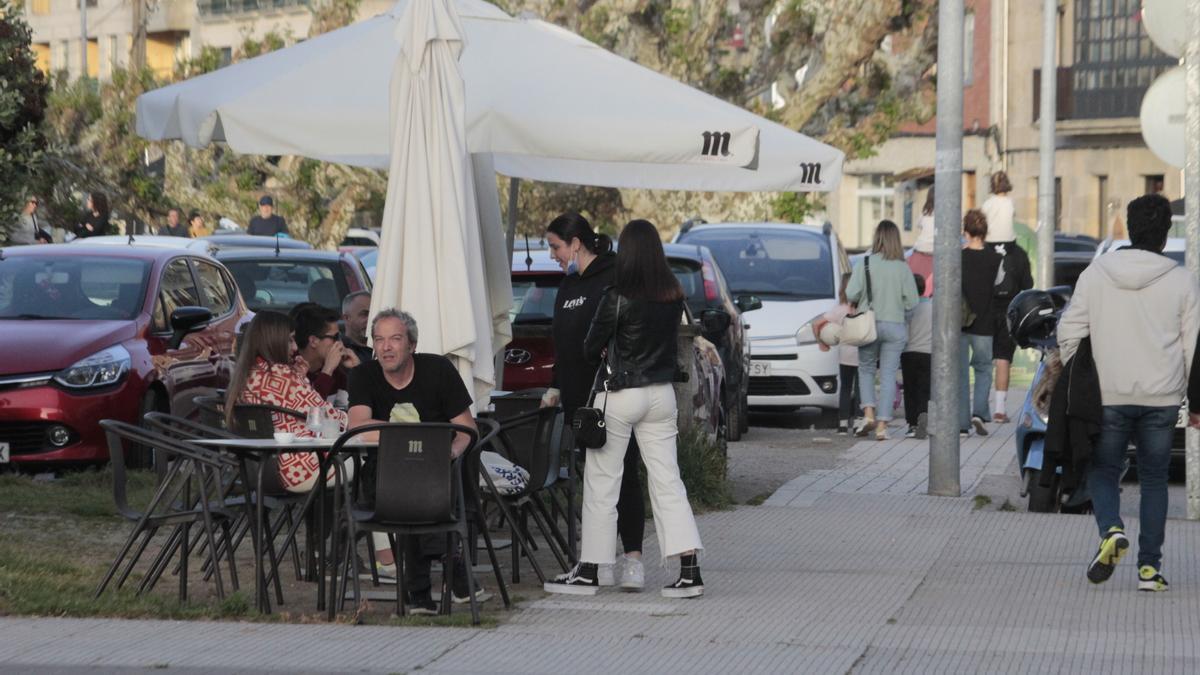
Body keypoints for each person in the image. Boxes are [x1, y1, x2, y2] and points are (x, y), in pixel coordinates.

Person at [545, 219, 704, 599]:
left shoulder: (616, 295)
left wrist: (604, 346)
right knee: (667, 481)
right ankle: (689, 571)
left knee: (602, 481)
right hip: (661, 394)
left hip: (620, 393)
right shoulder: (673, 294)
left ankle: (590, 570)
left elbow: (589, 345)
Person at [1063, 194, 1199, 592]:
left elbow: (1069, 329)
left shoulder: (1097, 272)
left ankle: (1111, 530)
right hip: (1162, 397)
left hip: (1108, 395)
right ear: (1164, 236)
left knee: (1103, 469)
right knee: (1155, 479)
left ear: (1129, 226)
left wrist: (1080, 372)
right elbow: (1194, 345)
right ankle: (1149, 569)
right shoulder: (1182, 280)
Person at [347, 309, 488, 613]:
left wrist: (448, 453)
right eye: (380, 340)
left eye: (395, 339)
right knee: (410, 485)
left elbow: (467, 429)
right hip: (384, 477)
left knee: (424, 483)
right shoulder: (363, 375)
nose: (386, 347)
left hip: (441, 474)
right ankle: (453, 562)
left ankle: (418, 591)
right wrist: (407, 440)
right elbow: (358, 427)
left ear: (411, 344)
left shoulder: (437, 370)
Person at [539, 212, 645, 590]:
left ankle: (632, 559)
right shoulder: (568, 285)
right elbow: (563, 343)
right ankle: (596, 561)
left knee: (624, 475)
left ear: (576, 243)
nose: (552, 255)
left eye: (555, 247)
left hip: (612, 394)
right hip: (578, 401)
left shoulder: (613, 277)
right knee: (594, 482)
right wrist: (554, 385)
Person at [224, 311, 349, 492]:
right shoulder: (280, 375)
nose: (296, 347)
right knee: (369, 460)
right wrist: (355, 418)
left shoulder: (248, 374)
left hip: (260, 470)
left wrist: (299, 375)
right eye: (290, 340)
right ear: (274, 340)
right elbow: (328, 417)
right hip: (300, 469)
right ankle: (357, 518)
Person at [846, 220, 919, 441]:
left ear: (877, 237)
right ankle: (882, 426)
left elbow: (851, 293)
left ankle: (868, 413)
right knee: (888, 375)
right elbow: (912, 302)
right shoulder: (903, 267)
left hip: (869, 325)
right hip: (895, 326)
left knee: (866, 369)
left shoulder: (865, 263)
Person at [981, 171, 1033, 423]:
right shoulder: (1019, 254)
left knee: (980, 360)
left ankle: (978, 407)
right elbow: (1028, 285)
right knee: (1003, 358)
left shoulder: (986, 204)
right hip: (1008, 306)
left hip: (985, 306)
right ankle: (1000, 408)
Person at [960, 209, 1003, 437]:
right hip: (985, 322)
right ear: (985, 232)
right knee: (984, 369)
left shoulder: (958, 257)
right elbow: (1000, 287)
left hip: (960, 323)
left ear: (965, 232)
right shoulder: (996, 259)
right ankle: (979, 412)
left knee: (960, 373)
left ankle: (960, 424)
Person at [816, 273, 859, 435]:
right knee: (861, 389)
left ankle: (842, 424)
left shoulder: (839, 310)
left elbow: (817, 324)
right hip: (863, 353)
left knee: (846, 388)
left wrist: (822, 342)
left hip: (845, 354)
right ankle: (858, 423)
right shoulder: (865, 308)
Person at [294, 304, 360, 400]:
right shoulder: (290, 368)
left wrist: (357, 369)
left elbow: (363, 402)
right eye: (335, 337)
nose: (340, 343)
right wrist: (327, 370)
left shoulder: (337, 372)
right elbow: (309, 406)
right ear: (313, 341)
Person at [901, 274, 932, 439]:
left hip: (909, 352)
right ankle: (924, 414)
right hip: (928, 353)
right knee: (925, 388)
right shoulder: (932, 307)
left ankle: (912, 424)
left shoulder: (906, 308)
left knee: (910, 389)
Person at [907, 188, 935, 297]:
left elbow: (918, 225)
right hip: (934, 254)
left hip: (919, 251)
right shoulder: (945, 214)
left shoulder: (925, 213)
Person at [341, 291, 374, 364]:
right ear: (346, 318)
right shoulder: (341, 353)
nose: (371, 319)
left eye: (374, 313)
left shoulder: (385, 346)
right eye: (365, 314)